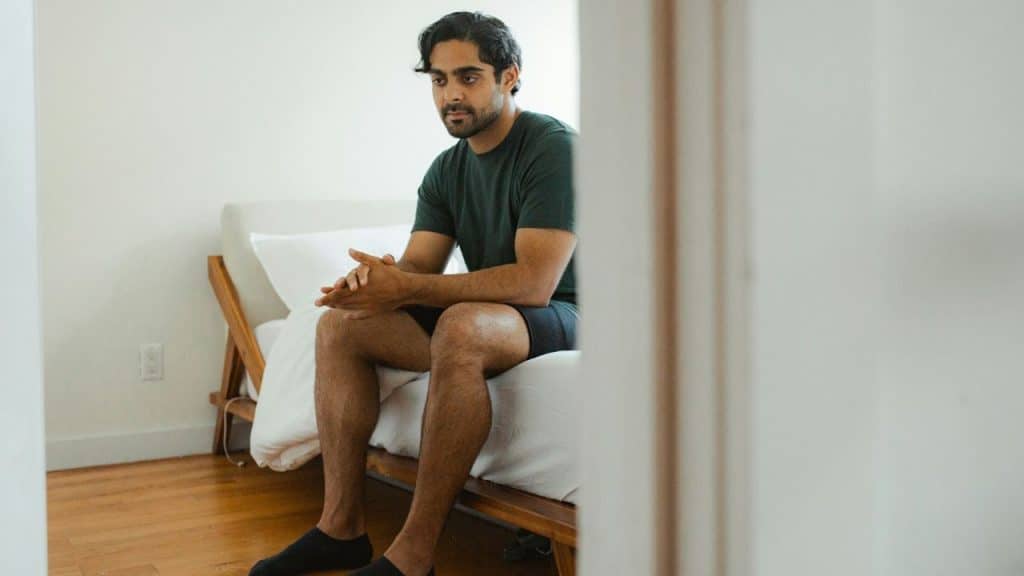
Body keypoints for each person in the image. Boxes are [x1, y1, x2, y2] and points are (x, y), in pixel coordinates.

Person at [249, 11, 578, 576]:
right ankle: (340, 528)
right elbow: (420, 266)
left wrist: (409, 287)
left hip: (568, 311)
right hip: (501, 317)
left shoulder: (552, 148)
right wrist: (376, 285)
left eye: (469, 77)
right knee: (341, 326)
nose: (452, 94)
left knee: (463, 326)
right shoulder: (446, 170)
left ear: (509, 76)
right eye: (438, 79)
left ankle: (415, 554)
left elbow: (534, 282)